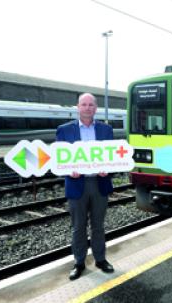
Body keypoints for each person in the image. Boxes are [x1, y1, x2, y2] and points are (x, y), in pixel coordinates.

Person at [56, 93, 115, 280]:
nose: (88, 108)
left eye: (91, 104)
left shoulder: (107, 130)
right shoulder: (64, 130)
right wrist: (68, 171)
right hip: (76, 184)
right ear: (78, 107)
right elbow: (59, 158)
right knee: (78, 227)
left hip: (99, 183)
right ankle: (79, 262)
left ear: (96, 108)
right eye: (84, 104)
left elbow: (112, 157)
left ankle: (100, 259)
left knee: (98, 225)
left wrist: (109, 170)